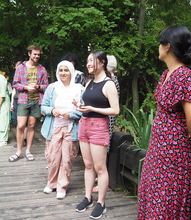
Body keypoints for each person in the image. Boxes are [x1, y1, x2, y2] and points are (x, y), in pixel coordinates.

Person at [137, 25, 191, 219]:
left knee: (166, 198)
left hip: (172, 153)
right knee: (154, 193)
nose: (158, 47)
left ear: (168, 47)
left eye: (160, 43)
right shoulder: (167, 75)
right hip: (159, 149)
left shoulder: (184, 76)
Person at [73, 51, 119, 219]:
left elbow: (115, 110)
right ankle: (88, 198)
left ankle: (101, 202)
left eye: (91, 61)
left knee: (100, 167)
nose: (88, 64)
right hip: (84, 125)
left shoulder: (109, 84)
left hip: (99, 127)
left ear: (102, 62)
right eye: (87, 61)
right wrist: (80, 106)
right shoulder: (89, 82)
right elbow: (87, 105)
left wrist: (92, 109)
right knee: (88, 165)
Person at [41, 61, 83, 199]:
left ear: (71, 72)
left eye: (66, 70)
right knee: (53, 157)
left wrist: (71, 115)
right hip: (54, 127)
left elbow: (83, 110)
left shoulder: (79, 89)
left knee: (67, 159)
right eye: (61, 70)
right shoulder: (52, 88)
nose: (63, 73)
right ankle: (51, 183)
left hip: (71, 128)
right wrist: (52, 110)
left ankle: (62, 186)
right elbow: (43, 106)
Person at [9, 45, 49, 162]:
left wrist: (38, 87)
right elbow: (15, 83)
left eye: (38, 54)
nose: (37, 56)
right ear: (29, 54)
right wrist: (26, 87)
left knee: (32, 126)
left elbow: (46, 86)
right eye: (35, 54)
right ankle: (19, 152)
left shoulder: (42, 69)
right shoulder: (20, 68)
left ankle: (28, 151)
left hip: (36, 100)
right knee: (21, 126)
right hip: (23, 100)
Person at [92, 55, 120, 193]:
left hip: (106, 117)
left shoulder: (111, 81)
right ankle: (99, 178)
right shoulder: (113, 79)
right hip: (105, 116)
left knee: (103, 149)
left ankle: (101, 180)